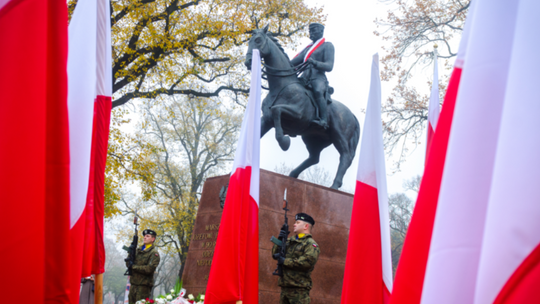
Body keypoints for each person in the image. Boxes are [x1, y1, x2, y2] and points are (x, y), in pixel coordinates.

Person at [291, 23, 335, 130]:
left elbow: (329, 66)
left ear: (321, 31)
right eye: (310, 31)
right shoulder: (307, 50)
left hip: (318, 77)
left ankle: (323, 120)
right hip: (304, 77)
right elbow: (292, 63)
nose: (311, 33)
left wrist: (315, 63)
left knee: (318, 91)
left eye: (314, 30)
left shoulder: (327, 46)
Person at [272, 213, 320, 304]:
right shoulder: (289, 241)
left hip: (299, 291)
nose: (294, 224)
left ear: (306, 226)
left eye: (297, 222)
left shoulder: (310, 244)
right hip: (285, 288)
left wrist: (285, 261)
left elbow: (306, 262)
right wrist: (280, 240)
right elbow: (275, 254)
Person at [128, 229, 160, 304]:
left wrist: (134, 267)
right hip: (133, 284)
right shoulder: (137, 250)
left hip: (143, 287)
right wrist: (130, 253)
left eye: (147, 236)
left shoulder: (154, 253)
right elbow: (128, 264)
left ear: (153, 239)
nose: (145, 237)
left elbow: (149, 269)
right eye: (144, 236)